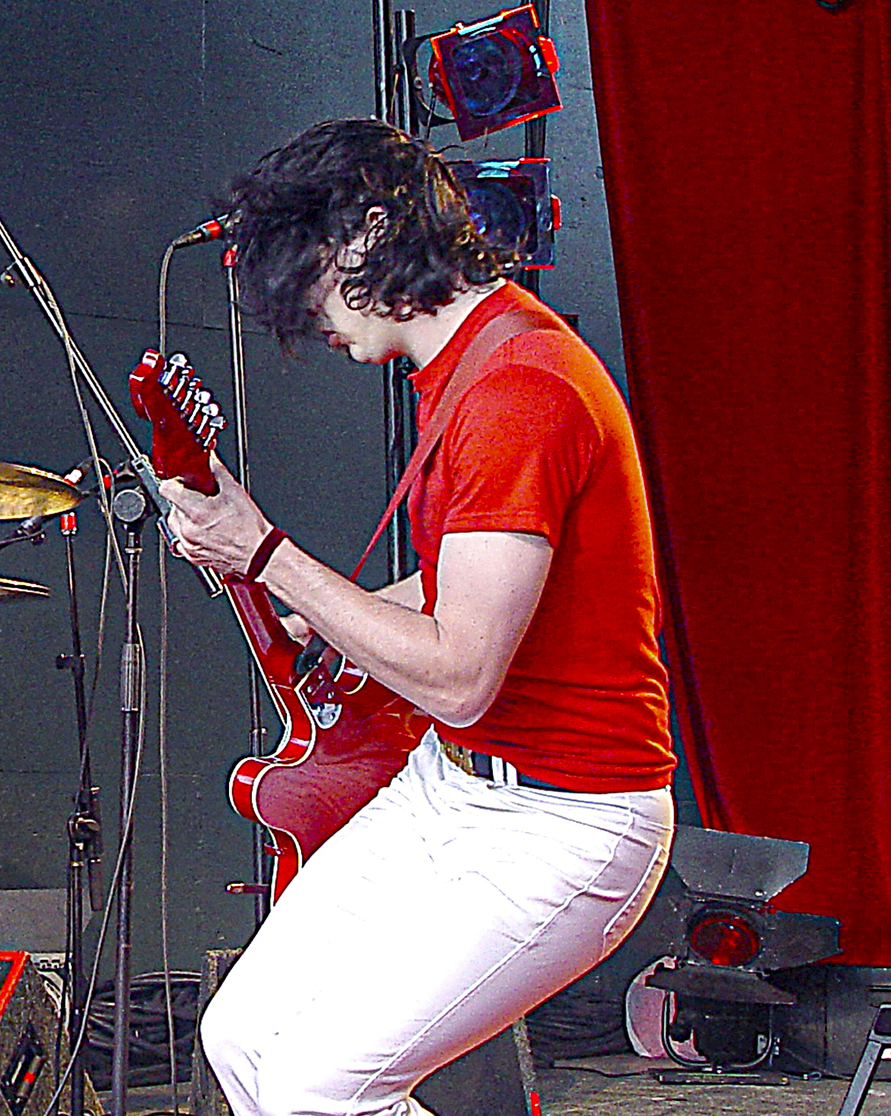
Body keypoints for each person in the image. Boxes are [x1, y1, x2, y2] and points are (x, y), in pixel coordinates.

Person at [160, 120, 676, 1116]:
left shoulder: (516, 392)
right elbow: (464, 586)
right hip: (455, 788)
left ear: (365, 235)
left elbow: (457, 673)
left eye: (306, 283)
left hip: (566, 821)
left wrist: (268, 555)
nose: (308, 319)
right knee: (240, 1037)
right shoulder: (473, 359)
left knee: (320, 1085)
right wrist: (308, 603)